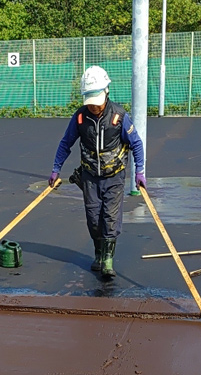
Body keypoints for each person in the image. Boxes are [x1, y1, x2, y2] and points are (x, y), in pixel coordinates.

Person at [48, 65, 146, 280]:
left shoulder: (119, 117)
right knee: (94, 218)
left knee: (110, 217)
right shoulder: (81, 118)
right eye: (89, 101)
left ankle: (108, 261)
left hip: (114, 176)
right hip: (90, 176)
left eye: (97, 101)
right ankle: (99, 253)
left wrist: (140, 171)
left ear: (106, 92)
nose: (93, 107)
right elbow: (66, 143)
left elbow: (136, 144)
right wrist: (56, 169)